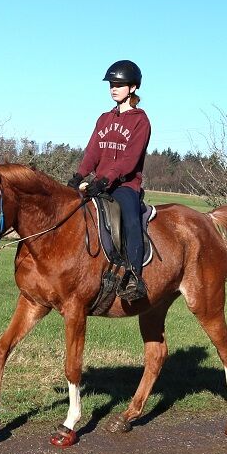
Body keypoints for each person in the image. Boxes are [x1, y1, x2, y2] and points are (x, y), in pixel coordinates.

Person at [67, 60, 151, 302]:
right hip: (98, 183)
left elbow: (129, 159)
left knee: (131, 221)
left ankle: (135, 277)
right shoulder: (104, 119)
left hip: (124, 186)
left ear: (133, 87)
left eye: (119, 84)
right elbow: (93, 152)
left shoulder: (140, 121)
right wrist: (79, 175)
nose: (114, 88)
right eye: (112, 84)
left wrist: (104, 180)